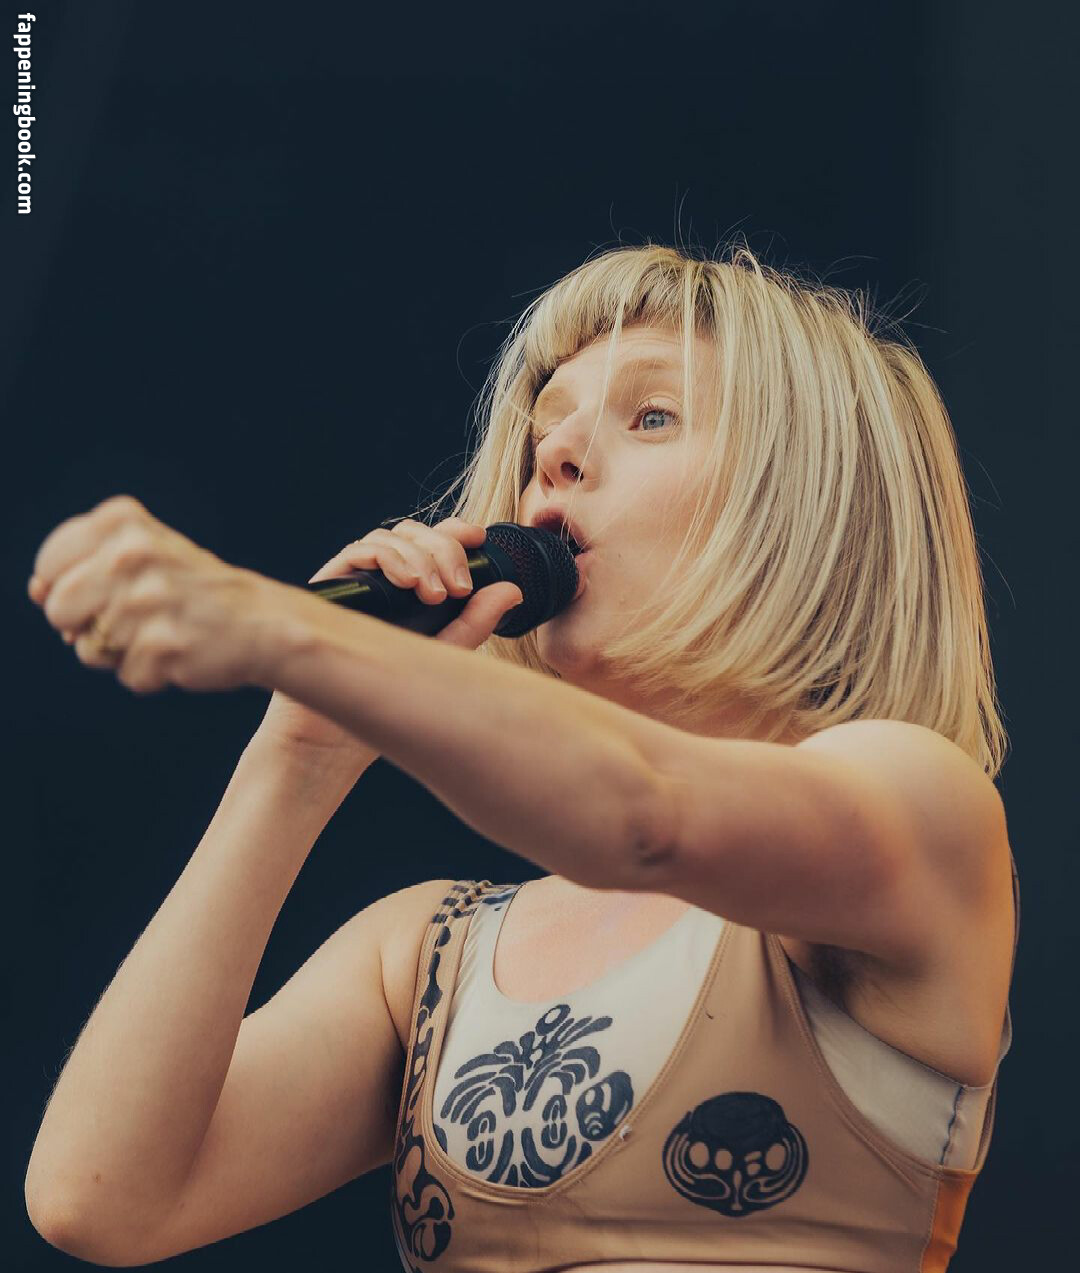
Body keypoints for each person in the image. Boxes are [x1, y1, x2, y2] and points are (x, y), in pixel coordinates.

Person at [24, 242, 1019, 1273]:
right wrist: (299, 750)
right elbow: (97, 1199)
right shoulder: (426, 954)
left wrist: (287, 629)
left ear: (812, 504)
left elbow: (644, 816)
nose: (559, 454)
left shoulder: (921, 806)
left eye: (652, 416)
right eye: (547, 429)